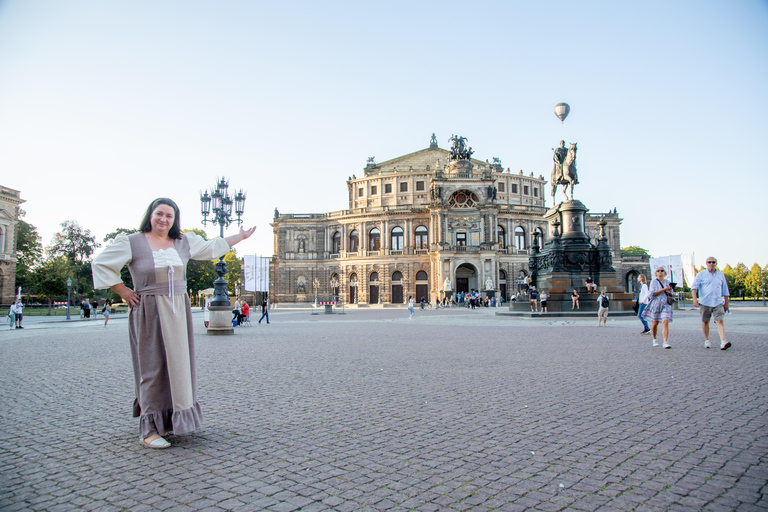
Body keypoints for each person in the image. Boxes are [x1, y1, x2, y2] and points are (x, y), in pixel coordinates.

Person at [92, 197, 255, 450]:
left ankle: (171, 420)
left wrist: (240, 237)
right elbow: (101, 263)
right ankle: (148, 429)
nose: (163, 219)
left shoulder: (183, 242)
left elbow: (213, 247)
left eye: (169, 215)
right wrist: (123, 290)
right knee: (152, 367)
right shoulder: (132, 241)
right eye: (159, 214)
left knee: (178, 366)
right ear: (150, 215)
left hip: (178, 310)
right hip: (148, 309)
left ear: (174, 219)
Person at [691, 257, 731, 350]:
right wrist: (694, 299)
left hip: (718, 302)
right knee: (705, 321)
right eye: (709, 262)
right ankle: (707, 339)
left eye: (713, 262)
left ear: (716, 263)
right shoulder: (701, 274)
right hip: (705, 302)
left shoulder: (720, 275)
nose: (711, 264)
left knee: (720, 321)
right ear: (706, 263)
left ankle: (723, 341)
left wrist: (726, 303)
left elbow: (725, 290)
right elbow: (694, 287)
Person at [643, 266, 674, 349]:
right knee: (655, 323)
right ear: (656, 273)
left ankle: (665, 341)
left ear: (665, 272)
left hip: (666, 304)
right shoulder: (653, 282)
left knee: (665, 321)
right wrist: (664, 289)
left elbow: (672, 294)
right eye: (658, 271)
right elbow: (652, 294)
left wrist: (670, 291)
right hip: (656, 304)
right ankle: (654, 338)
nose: (660, 272)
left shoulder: (668, 282)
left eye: (662, 270)